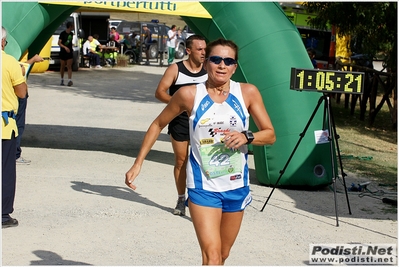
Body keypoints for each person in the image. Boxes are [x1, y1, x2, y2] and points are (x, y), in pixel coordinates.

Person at [126, 38, 276, 265]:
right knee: (212, 256)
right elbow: (158, 124)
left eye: (228, 61)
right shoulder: (189, 94)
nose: (222, 65)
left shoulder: (247, 92)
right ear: (206, 62)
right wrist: (138, 163)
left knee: (223, 254)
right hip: (202, 187)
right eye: (216, 59)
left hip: (236, 186)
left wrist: (247, 136)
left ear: (235, 66)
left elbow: (270, 134)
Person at [155, 35, 207, 216]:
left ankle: (203, 200)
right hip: (180, 120)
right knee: (181, 161)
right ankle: (180, 198)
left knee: (204, 161)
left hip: (203, 121)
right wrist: (179, 104)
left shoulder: (209, 69)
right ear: (188, 50)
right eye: (199, 49)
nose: (203, 52)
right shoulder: (175, 69)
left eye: (205, 49)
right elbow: (160, 92)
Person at [2, 26, 28, 228]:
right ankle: (2, 214)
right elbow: (21, 92)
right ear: (2, 42)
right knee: (5, 170)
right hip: (4, 125)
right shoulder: (9, 62)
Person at [16, 54, 44, 165]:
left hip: (19, 91)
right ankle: (15, 154)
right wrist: (32, 60)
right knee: (18, 124)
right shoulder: (14, 49)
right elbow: (18, 69)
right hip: (18, 92)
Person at [58, 21, 74, 86]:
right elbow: (59, 43)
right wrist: (65, 47)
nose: (73, 27)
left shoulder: (71, 34)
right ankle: (62, 79)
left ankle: (69, 80)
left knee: (69, 66)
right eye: (72, 26)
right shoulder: (62, 34)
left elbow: (70, 42)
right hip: (63, 51)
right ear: (70, 26)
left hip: (69, 52)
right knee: (62, 66)